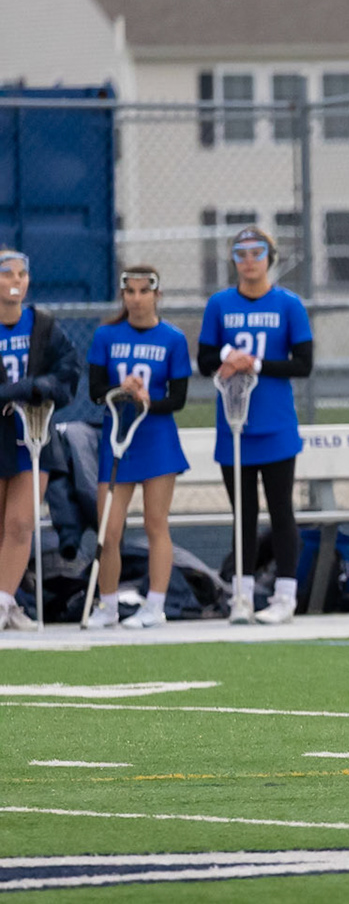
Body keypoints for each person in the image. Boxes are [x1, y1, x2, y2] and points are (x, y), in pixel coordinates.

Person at [197, 227, 313, 625]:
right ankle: (241, 596)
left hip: (276, 424)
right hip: (234, 425)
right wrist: (228, 356)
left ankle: (285, 595)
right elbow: (205, 359)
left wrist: (256, 364)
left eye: (257, 252)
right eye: (241, 253)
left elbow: (303, 363)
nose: (249, 260)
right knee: (243, 514)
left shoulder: (288, 304)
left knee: (281, 511)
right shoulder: (219, 304)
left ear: (270, 258)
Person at [84, 265, 193, 630]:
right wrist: (120, 391)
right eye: (129, 291)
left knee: (155, 523)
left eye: (144, 291)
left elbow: (177, 400)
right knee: (109, 528)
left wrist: (147, 400)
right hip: (118, 440)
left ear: (157, 295)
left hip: (156, 439)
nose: (136, 298)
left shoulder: (173, 339)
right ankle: (108, 605)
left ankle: (155, 606)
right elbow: (95, 392)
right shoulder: (106, 335)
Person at [0, 249, 82, 631]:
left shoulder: (43, 325)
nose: (15, 280)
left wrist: (40, 387)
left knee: (20, 524)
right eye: (7, 273)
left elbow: (68, 375)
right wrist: (17, 390)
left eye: (21, 274)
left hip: (34, 434)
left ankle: (4, 601)